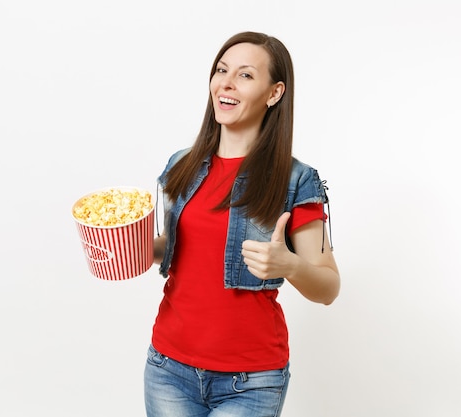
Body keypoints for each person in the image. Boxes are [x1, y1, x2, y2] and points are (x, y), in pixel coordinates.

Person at [145, 31, 340, 417]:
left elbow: (328, 287)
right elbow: (175, 249)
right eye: (221, 70)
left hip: (250, 381)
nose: (227, 83)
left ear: (274, 93)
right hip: (168, 367)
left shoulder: (296, 180)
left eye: (246, 75)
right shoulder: (179, 165)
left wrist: (289, 265)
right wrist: (129, 245)